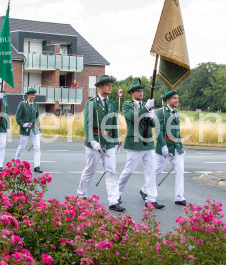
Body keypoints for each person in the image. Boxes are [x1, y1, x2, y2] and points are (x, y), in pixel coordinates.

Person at [77, 75, 124, 212]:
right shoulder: (91, 103)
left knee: (111, 171)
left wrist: (116, 142)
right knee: (90, 169)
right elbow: (88, 123)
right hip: (95, 141)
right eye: (107, 84)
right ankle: (81, 194)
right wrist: (92, 140)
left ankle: (113, 200)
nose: (110, 87)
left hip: (109, 142)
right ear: (100, 87)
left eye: (111, 84)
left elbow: (114, 123)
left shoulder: (112, 103)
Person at [117, 81, 164, 209]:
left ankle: (151, 198)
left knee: (150, 171)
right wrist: (146, 109)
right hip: (135, 142)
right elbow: (132, 118)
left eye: (142, 90)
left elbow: (154, 124)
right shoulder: (127, 105)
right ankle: (116, 193)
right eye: (138, 90)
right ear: (132, 93)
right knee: (129, 171)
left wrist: (151, 115)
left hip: (148, 142)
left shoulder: (146, 106)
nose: (141, 92)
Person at [155, 89, 187, 206]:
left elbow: (177, 132)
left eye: (177, 98)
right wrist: (163, 146)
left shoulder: (176, 112)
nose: (177, 100)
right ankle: (145, 190)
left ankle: (179, 197)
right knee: (157, 171)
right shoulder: (161, 112)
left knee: (180, 171)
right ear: (168, 100)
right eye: (174, 98)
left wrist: (181, 147)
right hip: (165, 146)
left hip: (176, 147)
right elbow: (158, 131)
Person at [14, 87, 43, 173]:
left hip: (34, 129)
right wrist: (23, 124)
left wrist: (39, 129)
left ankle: (37, 166)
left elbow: (37, 118)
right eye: (31, 95)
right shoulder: (22, 104)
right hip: (25, 129)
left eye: (34, 95)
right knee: (22, 147)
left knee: (37, 147)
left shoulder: (36, 105)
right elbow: (18, 117)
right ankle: (16, 163)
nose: (33, 96)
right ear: (27, 95)